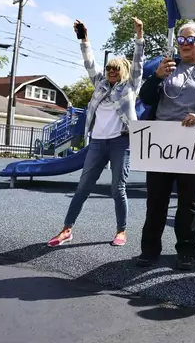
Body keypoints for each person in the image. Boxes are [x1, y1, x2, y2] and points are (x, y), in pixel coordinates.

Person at [136, 21, 195, 271]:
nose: (185, 44)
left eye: (190, 40)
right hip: (160, 140)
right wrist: (156, 78)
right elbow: (145, 98)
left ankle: (186, 251)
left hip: (191, 142)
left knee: (190, 201)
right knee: (156, 199)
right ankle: (149, 250)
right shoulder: (167, 68)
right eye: (181, 40)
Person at [47, 17, 144, 248]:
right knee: (83, 186)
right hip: (98, 143)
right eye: (109, 68)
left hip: (121, 142)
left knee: (117, 188)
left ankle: (121, 230)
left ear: (124, 71)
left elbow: (139, 63)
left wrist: (139, 37)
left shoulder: (131, 85)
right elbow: (89, 63)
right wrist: (85, 40)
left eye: (115, 68)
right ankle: (67, 229)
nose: (111, 71)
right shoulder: (100, 83)